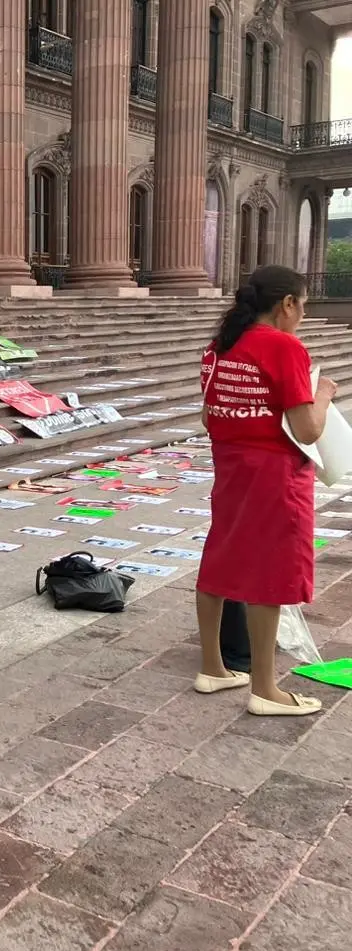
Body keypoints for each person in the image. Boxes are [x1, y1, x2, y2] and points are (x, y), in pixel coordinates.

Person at [194, 265, 336, 716]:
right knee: (270, 573)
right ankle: (265, 688)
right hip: (274, 473)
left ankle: (213, 667)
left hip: (231, 465)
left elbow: (207, 415)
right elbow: (308, 428)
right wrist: (325, 393)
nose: (302, 317)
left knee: (220, 557)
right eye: (303, 307)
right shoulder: (282, 346)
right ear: (287, 304)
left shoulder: (220, 346)